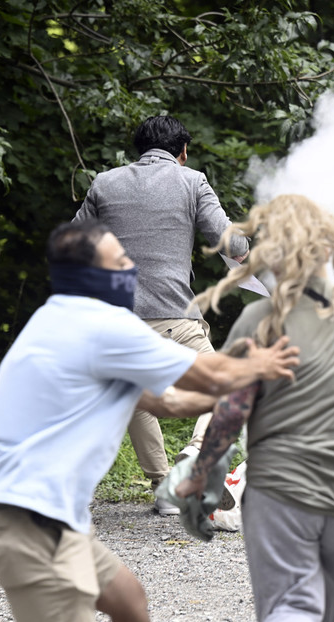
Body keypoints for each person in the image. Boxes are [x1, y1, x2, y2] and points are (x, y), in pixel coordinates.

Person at [0, 221, 299, 622]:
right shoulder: (102, 326)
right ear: (92, 276)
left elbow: (167, 402)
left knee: (129, 601)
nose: (132, 268)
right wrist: (262, 363)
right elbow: (210, 374)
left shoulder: (58, 320)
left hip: (51, 515)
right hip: (26, 519)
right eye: (122, 260)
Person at [167, 194, 334, 621]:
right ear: (329, 247)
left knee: (291, 604)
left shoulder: (260, 323)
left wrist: (201, 475)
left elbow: (230, 414)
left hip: (284, 491)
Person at [73, 114, 250, 515]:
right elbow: (230, 243)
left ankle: (162, 486)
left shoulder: (105, 183)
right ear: (182, 152)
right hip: (175, 319)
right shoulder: (191, 181)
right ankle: (194, 455)